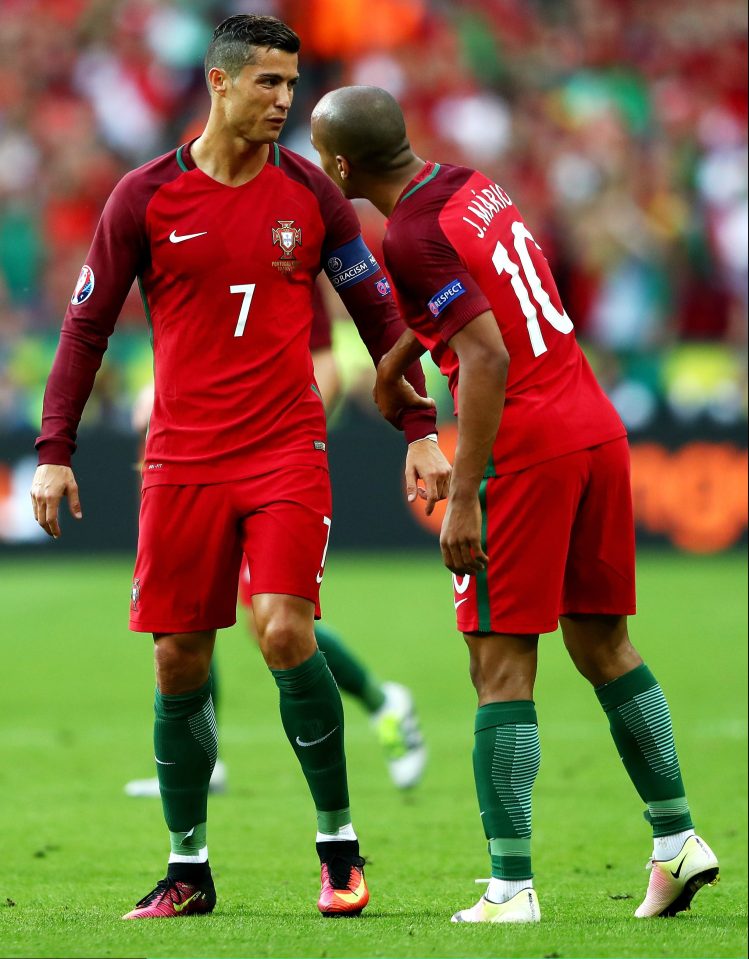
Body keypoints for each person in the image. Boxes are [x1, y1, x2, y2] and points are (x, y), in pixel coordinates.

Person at [30, 19, 451, 922]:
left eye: (291, 83)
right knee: (179, 658)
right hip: (180, 458)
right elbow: (85, 327)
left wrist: (418, 427)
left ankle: (338, 848)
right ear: (218, 84)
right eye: (266, 82)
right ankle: (188, 868)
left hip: (284, 449)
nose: (284, 100)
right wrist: (55, 451)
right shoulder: (143, 196)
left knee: (284, 631)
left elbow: (377, 312)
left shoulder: (311, 192)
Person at [309, 85, 720, 924]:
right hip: (592, 424)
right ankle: (676, 841)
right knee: (602, 640)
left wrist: (464, 496)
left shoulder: (411, 235)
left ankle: (509, 886)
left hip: (526, 447)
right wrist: (394, 365)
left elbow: (486, 356)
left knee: (498, 664)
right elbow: (476, 306)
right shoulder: (465, 185)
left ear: (341, 166)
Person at [124, 282, 427, 800]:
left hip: (270, 467)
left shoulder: (284, 251)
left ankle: (383, 700)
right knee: (190, 610)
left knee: (275, 622)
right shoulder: (195, 249)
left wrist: (278, 434)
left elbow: (325, 365)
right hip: (199, 457)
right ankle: (207, 760)